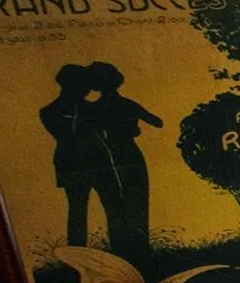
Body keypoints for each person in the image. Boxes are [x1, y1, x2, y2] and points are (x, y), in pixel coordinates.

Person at [84, 62, 163, 264]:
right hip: (127, 154)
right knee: (134, 202)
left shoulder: (94, 108)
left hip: (112, 155)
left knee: (119, 205)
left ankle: (125, 252)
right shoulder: (127, 104)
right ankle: (138, 251)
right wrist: (132, 127)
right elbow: (156, 121)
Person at [39, 64, 103, 246]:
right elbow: (66, 136)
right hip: (71, 164)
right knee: (77, 210)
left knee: (111, 207)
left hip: (98, 163)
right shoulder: (49, 111)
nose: (87, 89)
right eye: (83, 84)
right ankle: (77, 254)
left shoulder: (93, 108)